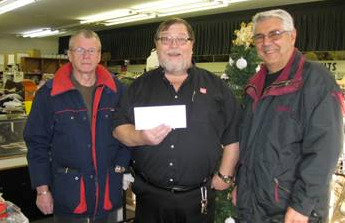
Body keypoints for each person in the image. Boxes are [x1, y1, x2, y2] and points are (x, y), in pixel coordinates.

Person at [113, 18, 242, 223]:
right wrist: (141, 136)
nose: (173, 45)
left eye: (181, 39)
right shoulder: (139, 87)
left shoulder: (216, 87)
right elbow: (119, 128)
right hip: (150, 198)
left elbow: (233, 134)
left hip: (198, 198)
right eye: (166, 39)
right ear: (156, 46)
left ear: (191, 44)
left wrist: (225, 175)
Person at [233, 9, 344, 223]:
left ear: (292, 36)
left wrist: (302, 206)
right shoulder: (254, 84)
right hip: (253, 206)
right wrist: (241, 184)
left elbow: (324, 150)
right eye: (259, 37)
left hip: (291, 210)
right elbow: (249, 145)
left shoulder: (316, 83)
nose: (267, 42)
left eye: (275, 34)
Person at [24, 30, 131, 223]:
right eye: (80, 50)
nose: (86, 56)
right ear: (70, 55)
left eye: (92, 50)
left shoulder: (117, 91)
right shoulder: (49, 94)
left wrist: (123, 164)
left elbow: (130, 129)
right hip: (69, 194)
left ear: (99, 55)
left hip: (108, 190)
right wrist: (42, 190)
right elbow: (36, 144)